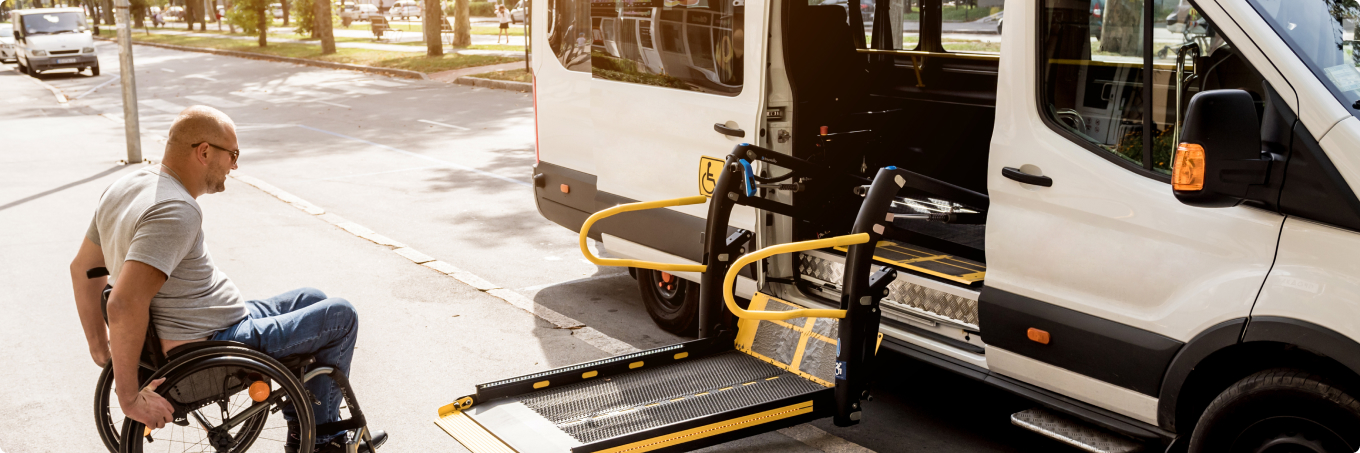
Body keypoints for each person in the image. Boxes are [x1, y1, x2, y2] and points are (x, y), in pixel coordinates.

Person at [69, 106, 386, 453]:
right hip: (209, 343)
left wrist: (102, 350)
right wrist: (128, 396)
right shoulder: (175, 210)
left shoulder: (129, 185)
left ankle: (308, 425)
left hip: (208, 326)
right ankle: (325, 442)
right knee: (341, 316)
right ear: (204, 152)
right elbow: (123, 302)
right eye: (233, 155)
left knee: (311, 298)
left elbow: (84, 269)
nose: (235, 166)